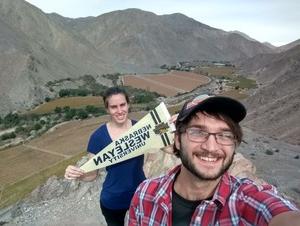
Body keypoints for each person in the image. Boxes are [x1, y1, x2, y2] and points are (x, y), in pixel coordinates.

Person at [127, 94, 300, 226]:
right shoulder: (144, 194)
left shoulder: (248, 200)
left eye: (224, 135)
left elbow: (278, 212)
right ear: (178, 140)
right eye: (197, 132)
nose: (211, 147)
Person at [65, 87, 146, 226]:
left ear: (128, 104)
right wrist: (77, 174)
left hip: (141, 194)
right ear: (107, 109)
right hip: (113, 200)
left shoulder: (141, 128)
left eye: (122, 105)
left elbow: (168, 147)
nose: (120, 110)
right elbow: (92, 175)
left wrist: (173, 126)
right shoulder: (98, 137)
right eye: (114, 107)